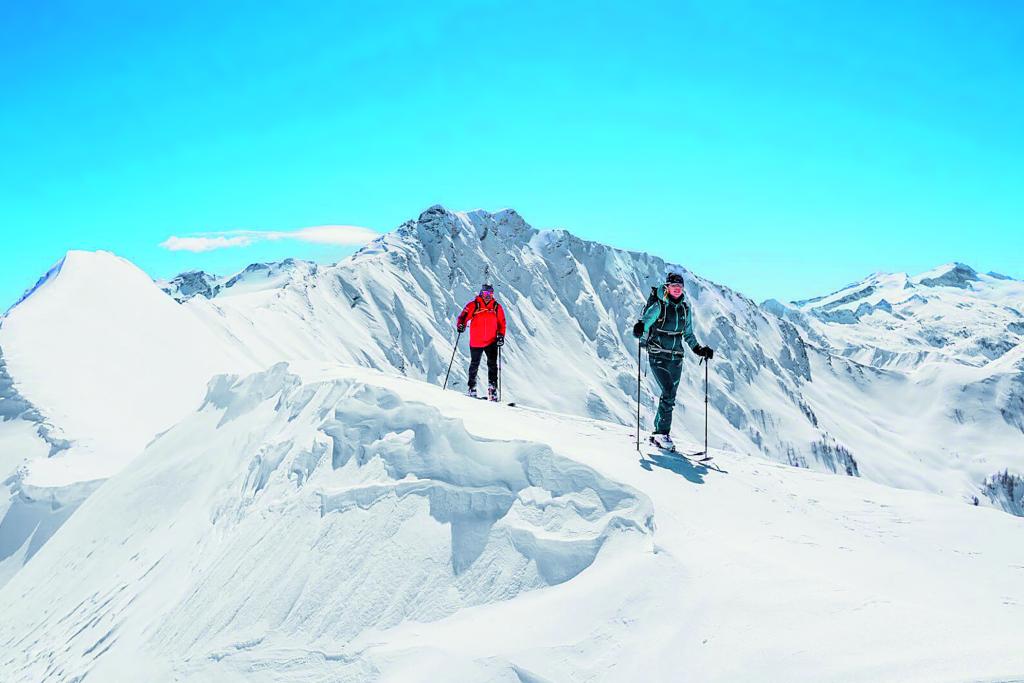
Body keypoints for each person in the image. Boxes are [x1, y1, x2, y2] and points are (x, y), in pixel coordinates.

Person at [632, 272, 714, 450]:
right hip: (658, 354)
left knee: (669, 396)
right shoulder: (659, 306)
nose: (677, 289)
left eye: (680, 287)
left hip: (676, 357)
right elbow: (644, 323)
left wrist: (699, 350)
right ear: (667, 287)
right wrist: (639, 328)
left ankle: (658, 433)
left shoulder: (685, 309)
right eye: (673, 286)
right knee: (668, 391)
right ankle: (662, 434)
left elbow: (688, 334)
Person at [456, 284, 507, 401]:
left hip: (491, 340)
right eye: (485, 294)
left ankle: (492, 390)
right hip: (476, 340)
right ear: (481, 293)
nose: (488, 296)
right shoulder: (474, 305)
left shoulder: (496, 307)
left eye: (490, 294)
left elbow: (502, 323)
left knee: (492, 365)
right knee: (474, 364)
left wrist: (501, 336)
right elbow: (463, 316)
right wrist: (461, 325)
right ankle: (471, 388)